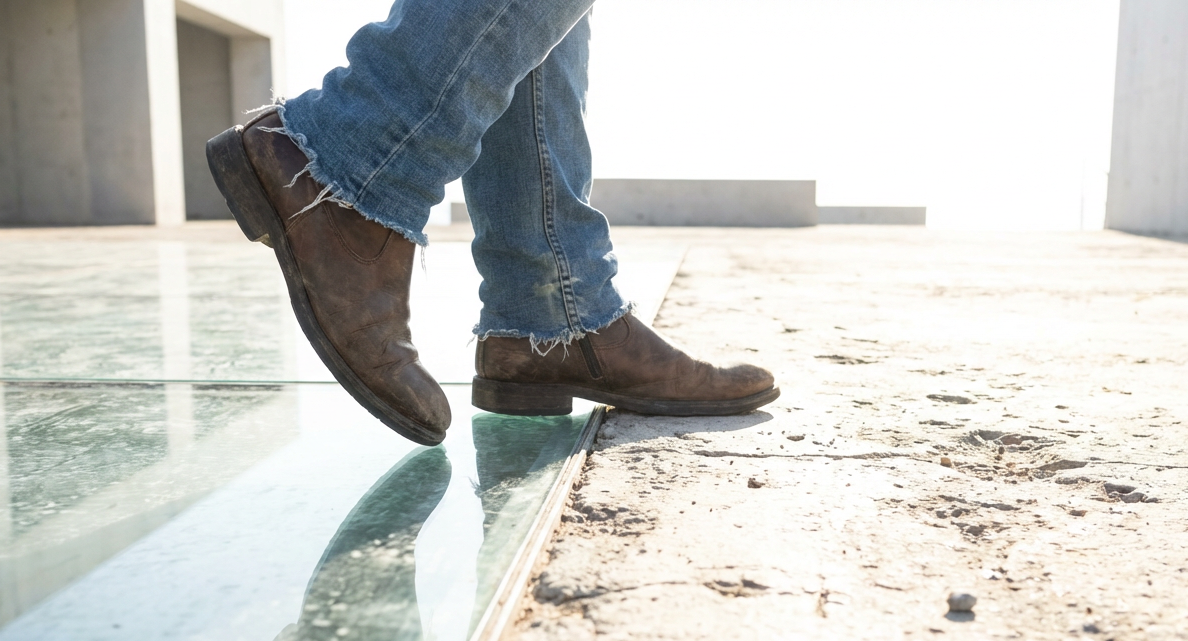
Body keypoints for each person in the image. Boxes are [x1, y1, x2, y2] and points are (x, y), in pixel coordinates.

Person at [206, 0, 778, 446]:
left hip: (555, 302)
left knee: (548, 29)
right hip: (349, 163)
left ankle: (550, 307)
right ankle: (352, 171)